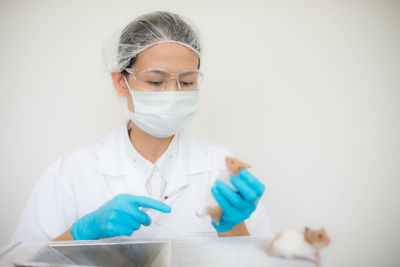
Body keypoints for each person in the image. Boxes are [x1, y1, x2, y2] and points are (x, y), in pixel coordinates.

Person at [11, 11, 272, 242]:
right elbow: (22, 262)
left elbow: (263, 261)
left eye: (187, 81)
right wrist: (79, 234)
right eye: (156, 82)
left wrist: (233, 227)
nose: (173, 94)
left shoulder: (221, 170)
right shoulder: (71, 173)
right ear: (120, 82)